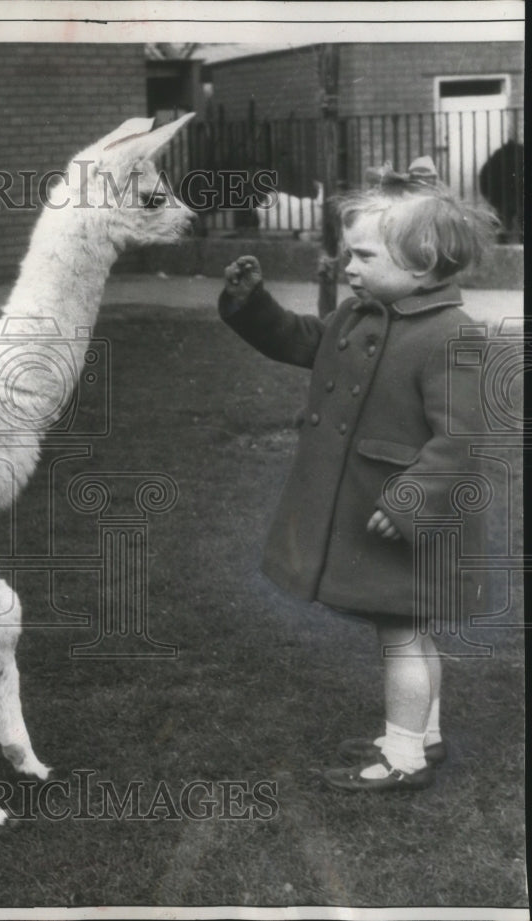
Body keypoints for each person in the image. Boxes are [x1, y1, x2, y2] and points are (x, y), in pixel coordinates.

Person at [218, 157, 497, 792]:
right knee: (410, 630)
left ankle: (401, 758)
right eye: (349, 255)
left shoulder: (450, 336)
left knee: (402, 635)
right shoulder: (358, 317)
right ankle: (423, 736)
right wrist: (250, 306)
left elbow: (461, 438)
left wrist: (408, 501)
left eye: (365, 257)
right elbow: (298, 340)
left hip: (405, 518)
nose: (349, 268)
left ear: (421, 265)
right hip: (380, 509)